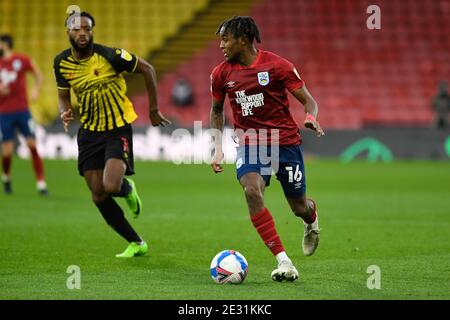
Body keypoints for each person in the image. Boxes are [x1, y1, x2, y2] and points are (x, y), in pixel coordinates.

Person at [210, 16, 325, 282]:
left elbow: (309, 101)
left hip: (286, 143)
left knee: (299, 207)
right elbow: (216, 111)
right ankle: (284, 261)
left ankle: (311, 218)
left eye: (225, 39)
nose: (221, 45)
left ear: (243, 38)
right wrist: (217, 147)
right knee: (252, 190)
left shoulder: (277, 65)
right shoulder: (221, 73)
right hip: (252, 143)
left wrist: (311, 117)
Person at [54, 12, 171, 258]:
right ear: (68, 32)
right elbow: (63, 94)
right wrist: (64, 111)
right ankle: (136, 242)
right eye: (77, 29)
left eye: (87, 28)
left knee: (110, 185)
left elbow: (148, 69)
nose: (82, 33)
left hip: (117, 129)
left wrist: (153, 110)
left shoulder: (110, 56)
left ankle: (127, 189)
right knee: (98, 194)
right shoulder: (61, 63)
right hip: (88, 133)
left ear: (93, 31)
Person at [0, 34, 47, 195]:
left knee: (32, 146)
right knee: (6, 151)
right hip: (4, 113)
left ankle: (41, 183)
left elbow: (39, 75)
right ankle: (6, 177)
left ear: (5, 44)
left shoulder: (21, 60)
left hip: (22, 111)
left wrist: (35, 90)